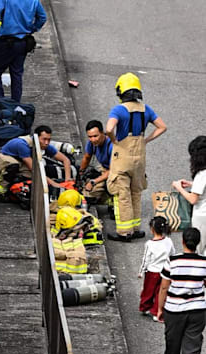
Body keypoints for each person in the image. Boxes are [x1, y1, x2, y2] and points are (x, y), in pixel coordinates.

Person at [104, 72, 166, 242]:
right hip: (140, 157)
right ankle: (136, 228)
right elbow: (162, 126)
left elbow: (109, 129)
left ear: (120, 91)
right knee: (136, 192)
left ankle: (125, 232)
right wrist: (146, 140)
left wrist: (114, 140)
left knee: (122, 193)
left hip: (122, 157)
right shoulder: (146, 109)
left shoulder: (118, 110)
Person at [158, 226, 206, 354]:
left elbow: (164, 287)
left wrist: (160, 308)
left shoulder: (173, 261)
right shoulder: (204, 262)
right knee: (191, 349)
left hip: (174, 310)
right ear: (198, 243)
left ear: (183, 241)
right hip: (197, 311)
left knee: (172, 344)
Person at [0, 125, 70, 197]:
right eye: (44, 139)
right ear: (36, 138)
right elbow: (35, 170)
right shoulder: (23, 145)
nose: (46, 143)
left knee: (29, 177)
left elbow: (65, 160)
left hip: (18, 160)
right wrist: (53, 183)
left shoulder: (45, 145)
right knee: (13, 167)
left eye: (49, 140)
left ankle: (14, 188)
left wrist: (67, 180)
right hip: (0, 158)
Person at [171, 135, 206, 247]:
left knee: (200, 247)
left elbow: (193, 199)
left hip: (202, 216)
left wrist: (179, 188)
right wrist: (192, 184)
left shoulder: (201, 174)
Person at [139, 216, 174, 319]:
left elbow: (146, 259)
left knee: (148, 291)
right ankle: (156, 311)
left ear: (152, 229)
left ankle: (145, 307)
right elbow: (172, 254)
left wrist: (141, 271)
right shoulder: (168, 241)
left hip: (152, 272)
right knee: (160, 292)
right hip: (164, 271)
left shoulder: (150, 244)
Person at [78, 119, 113, 206]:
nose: (93, 140)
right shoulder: (92, 143)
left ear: (102, 133)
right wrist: (80, 173)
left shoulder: (112, 146)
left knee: (92, 192)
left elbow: (113, 170)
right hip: (105, 169)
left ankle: (110, 199)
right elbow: (87, 157)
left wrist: (94, 182)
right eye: (90, 137)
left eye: (95, 136)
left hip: (117, 171)